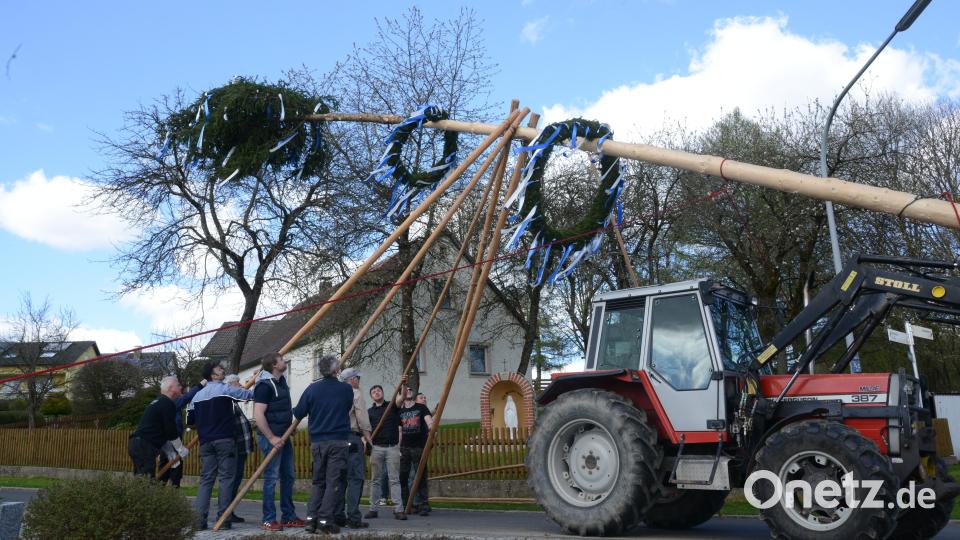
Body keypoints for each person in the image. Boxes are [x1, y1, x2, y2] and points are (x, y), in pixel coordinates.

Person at [190, 361, 253, 531]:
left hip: (206, 442)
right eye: (219, 369)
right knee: (226, 479)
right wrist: (260, 385)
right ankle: (223, 519)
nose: (222, 370)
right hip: (225, 440)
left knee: (206, 480)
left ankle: (199, 520)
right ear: (213, 375)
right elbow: (247, 395)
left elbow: (190, 422)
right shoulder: (225, 389)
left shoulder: (196, 397)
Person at [293, 354, 353, 535]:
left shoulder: (312, 389)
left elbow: (299, 411)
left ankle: (311, 519)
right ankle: (325, 520)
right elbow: (347, 407)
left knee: (318, 482)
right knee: (333, 482)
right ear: (336, 370)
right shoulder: (345, 389)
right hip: (338, 440)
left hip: (318, 442)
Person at [252, 352, 304, 531]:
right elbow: (258, 414)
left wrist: (290, 427)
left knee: (288, 477)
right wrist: (271, 437)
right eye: (281, 359)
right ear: (274, 365)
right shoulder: (264, 386)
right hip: (270, 439)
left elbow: (281, 409)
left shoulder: (281, 383)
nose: (284, 361)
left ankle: (288, 516)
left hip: (284, 437)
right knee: (271, 478)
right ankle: (268, 519)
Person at [334, 367, 373, 529]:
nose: (358, 381)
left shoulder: (335, 395)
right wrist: (369, 440)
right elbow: (362, 418)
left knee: (340, 478)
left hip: (336, 439)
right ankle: (354, 517)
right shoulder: (355, 394)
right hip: (352, 437)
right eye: (357, 378)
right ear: (352, 380)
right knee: (355, 478)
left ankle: (338, 515)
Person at [128, 375, 186, 477]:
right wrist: (180, 448)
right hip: (144, 445)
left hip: (138, 444)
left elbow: (161, 432)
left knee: (142, 478)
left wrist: (170, 453)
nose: (181, 387)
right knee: (146, 480)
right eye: (178, 385)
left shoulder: (159, 402)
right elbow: (170, 429)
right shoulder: (167, 403)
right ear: (170, 388)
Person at [364, 382, 406, 520]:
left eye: (378, 390)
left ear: (382, 393)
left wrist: (403, 384)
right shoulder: (369, 412)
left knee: (394, 479)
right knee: (375, 480)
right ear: (371, 396)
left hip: (392, 448)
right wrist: (368, 443)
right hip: (376, 448)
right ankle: (373, 509)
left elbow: (402, 397)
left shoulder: (391, 406)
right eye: (374, 391)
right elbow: (366, 430)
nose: (376, 392)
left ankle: (398, 510)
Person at [158, 377, 205, 487]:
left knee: (168, 466)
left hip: (170, 441)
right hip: (172, 442)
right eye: (178, 386)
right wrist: (201, 384)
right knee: (174, 467)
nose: (181, 388)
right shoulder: (172, 403)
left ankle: (163, 489)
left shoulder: (169, 403)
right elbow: (188, 397)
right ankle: (170, 491)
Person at [399, 384, 433, 516]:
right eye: (406, 389)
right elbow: (400, 431)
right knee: (404, 476)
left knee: (420, 476)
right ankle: (407, 504)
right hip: (405, 448)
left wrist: (431, 426)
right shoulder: (400, 411)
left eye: (410, 389)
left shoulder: (421, 407)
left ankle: (424, 504)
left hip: (419, 446)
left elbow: (428, 420)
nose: (408, 390)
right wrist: (398, 448)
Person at [225, 373, 254, 524]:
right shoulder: (228, 402)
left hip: (240, 447)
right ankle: (227, 512)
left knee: (236, 479)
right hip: (235, 447)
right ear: (231, 386)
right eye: (238, 384)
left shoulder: (233, 402)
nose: (241, 386)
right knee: (233, 480)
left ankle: (230, 510)